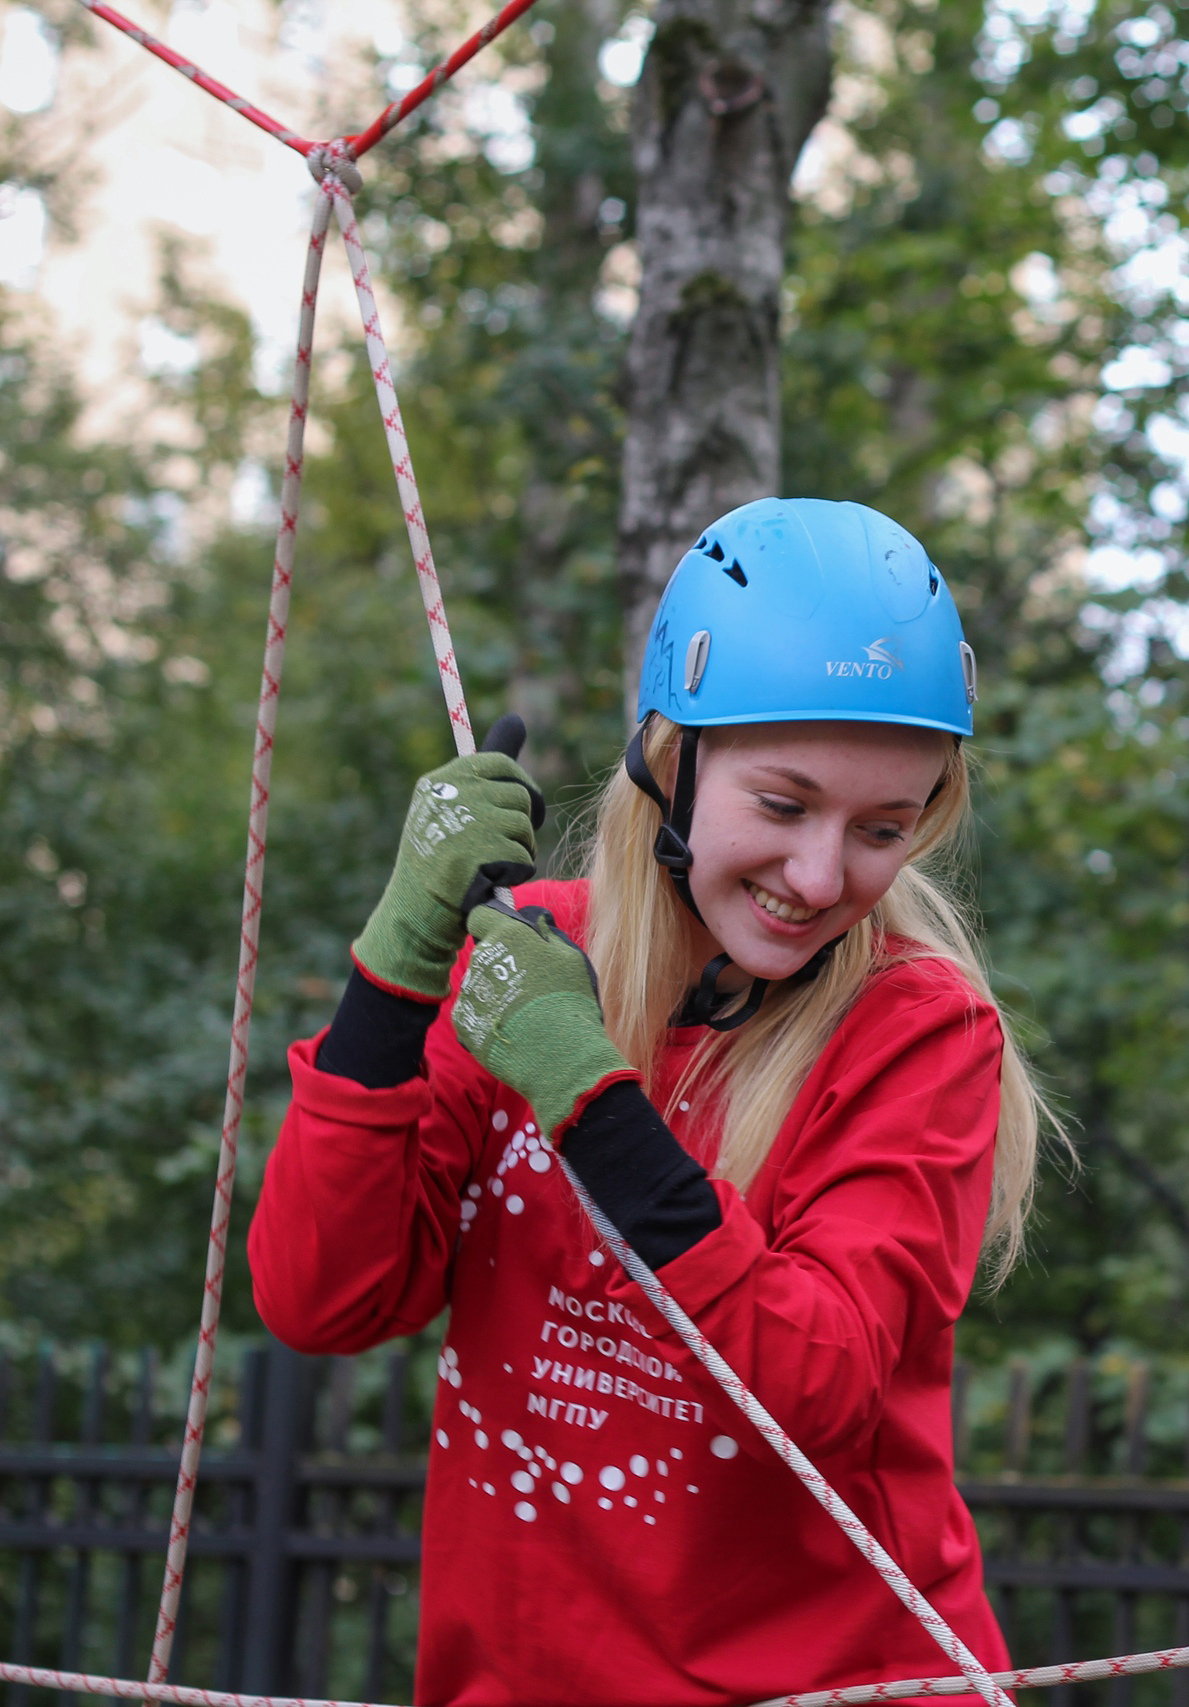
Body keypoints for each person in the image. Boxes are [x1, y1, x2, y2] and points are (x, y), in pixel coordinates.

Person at [250, 497, 1046, 1707]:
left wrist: (593, 1103)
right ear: (673, 762)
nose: (820, 876)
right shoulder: (529, 968)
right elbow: (323, 1299)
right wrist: (396, 970)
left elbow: (815, 1391)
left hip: (842, 1686)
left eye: (883, 829)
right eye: (783, 806)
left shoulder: (918, 1029)